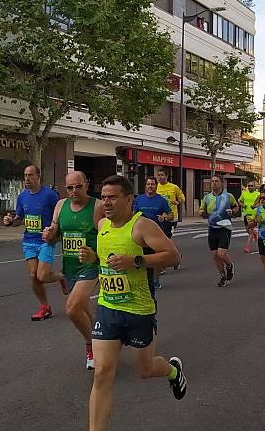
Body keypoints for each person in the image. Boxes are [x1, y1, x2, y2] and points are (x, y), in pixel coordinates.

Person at [78, 175, 186, 431]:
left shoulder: (142, 226)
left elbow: (174, 256)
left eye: (112, 197)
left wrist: (136, 261)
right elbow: (106, 260)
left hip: (139, 309)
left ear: (129, 199)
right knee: (102, 373)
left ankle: (172, 371)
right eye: (103, 197)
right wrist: (92, 257)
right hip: (108, 307)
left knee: (145, 369)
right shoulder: (103, 223)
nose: (106, 202)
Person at [42, 171, 104, 369]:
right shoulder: (61, 206)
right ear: (65, 188)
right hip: (70, 268)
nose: (74, 191)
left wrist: (95, 255)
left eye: (78, 186)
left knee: (72, 308)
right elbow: (54, 235)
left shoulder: (98, 206)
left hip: (91, 266)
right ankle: (104, 342)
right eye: (70, 188)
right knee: (85, 312)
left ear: (86, 184)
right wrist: (49, 234)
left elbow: (110, 237)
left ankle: (90, 346)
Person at [3, 165, 63, 320]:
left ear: (38, 176)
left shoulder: (50, 195)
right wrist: (10, 221)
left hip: (46, 241)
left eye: (30, 175)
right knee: (33, 275)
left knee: (42, 276)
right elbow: (19, 219)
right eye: (25, 175)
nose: (27, 179)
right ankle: (45, 308)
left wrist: (54, 234)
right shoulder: (23, 196)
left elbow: (59, 217)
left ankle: (63, 277)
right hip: (29, 241)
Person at [133, 176, 174, 289]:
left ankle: (155, 280)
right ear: (145, 186)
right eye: (148, 184)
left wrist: (164, 217)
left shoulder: (162, 200)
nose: (150, 186)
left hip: (156, 235)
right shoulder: (138, 200)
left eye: (152, 184)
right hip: (140, 236)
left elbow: (171, 215)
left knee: (156, 259)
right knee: (140, 258)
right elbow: (132, 213)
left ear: (156, 186)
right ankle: (142, 281)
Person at [198, 175, 239, 287]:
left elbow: (236, 207)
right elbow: (201, 209)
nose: (214, 183)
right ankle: (222, 276)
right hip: (212, 228)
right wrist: (201, 212)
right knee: (215, 255)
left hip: (224, 227)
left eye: (216, 181)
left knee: (221, 253)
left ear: (221, 183)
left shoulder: (228, 196)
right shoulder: (207, 198)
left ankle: (229, 265)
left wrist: (232, 211)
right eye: (212, 181)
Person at [156, 168, 185, 269]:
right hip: (159, 218)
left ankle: (171, 259)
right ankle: (173, 258)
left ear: (167, 176)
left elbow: (182, 197)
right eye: (159, 175)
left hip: (171, 218)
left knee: (165, 240)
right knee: (161, 242)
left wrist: (177, 202)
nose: (160, 177)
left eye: (162, 175)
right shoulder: (156, 187)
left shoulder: (174, 187)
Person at [238, 181, 260, 253]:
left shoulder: (258, 194)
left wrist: (255, 206)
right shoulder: (244, 194)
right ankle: (254, 233)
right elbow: (239, 200)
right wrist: (242, 205)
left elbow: (260, 203)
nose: (250, 187)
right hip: (246, 214)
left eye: (252, 186)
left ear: (254, 187)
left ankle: (247, 247)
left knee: (250, 231)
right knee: (248, 230)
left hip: (254, 215)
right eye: (249, 186)